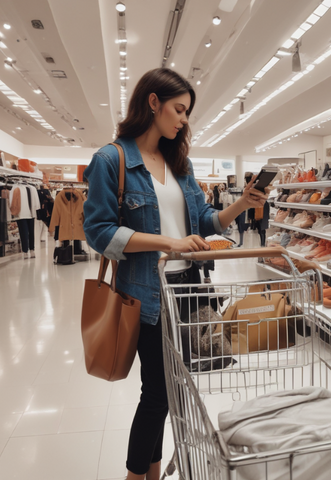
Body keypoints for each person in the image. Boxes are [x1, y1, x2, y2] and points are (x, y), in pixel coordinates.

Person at [82, 68, 267, 480]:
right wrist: (168, 242)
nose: (184, 120)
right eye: (179, 109)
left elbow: (203, 220)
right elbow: (98, 232)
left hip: (189, 291)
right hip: (147, 292)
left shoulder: (179, 165)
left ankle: (150, 472)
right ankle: (135, 476)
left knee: (168, 390)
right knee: (159, 393)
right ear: (153, 102)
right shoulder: (111, 160)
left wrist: (241, 205)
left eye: (187, 112)